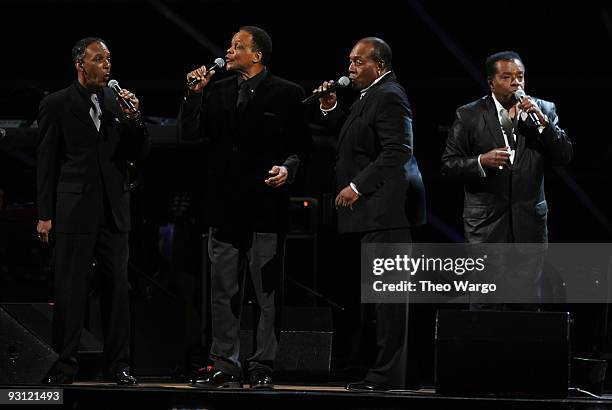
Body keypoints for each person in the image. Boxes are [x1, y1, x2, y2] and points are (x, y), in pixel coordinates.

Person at [179, 26, 310, 389]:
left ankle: (262, 363)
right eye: (230, 45)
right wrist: (193, 96)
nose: (229, 50)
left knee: (266, 293)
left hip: (266, 207)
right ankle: (225, 362)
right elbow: (188, 136)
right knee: (223, 290)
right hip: (223, 209)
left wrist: (290, 168)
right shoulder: (217, 91)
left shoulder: (287, 93)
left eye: (238, 46)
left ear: (257, 56)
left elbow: (304, 148)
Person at [36, 37, 149, 385]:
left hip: (114, 212)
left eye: (109, 59)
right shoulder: (57, 104)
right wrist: (45, 214)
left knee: (117, 291)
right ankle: (64, 365)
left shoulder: (117, 104)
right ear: (80, 64)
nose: (107, 65)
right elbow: (46, 162)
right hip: (75, 210)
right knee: (71, 289)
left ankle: (119, 366)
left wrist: (135, 120)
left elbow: (139, 154)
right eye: (99, 59)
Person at [316, 37, 426, 391]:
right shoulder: (370, 97)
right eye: (350, 61)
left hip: (389, 213)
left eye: (358, 61)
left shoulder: (391, 95)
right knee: (380, 299)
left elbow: (398, 150)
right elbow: (356, 141)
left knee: (391, 301)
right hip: (375, 216)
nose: (350, 68)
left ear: (379, 65)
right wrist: (332, 109)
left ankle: (387, 376)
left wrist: (357, 186)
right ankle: (380, 371)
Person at [441, 50, 572, 305]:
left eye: (520, 77)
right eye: (508, 77)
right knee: (484, 302)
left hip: (529, 227)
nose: (516, 83)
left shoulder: (543, 110)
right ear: (491, 82)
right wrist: (481, 161)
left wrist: (544, 124)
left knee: (525, 303)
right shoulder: (469, 114)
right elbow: (448, 165)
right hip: (486, 228)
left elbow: (564, 155)